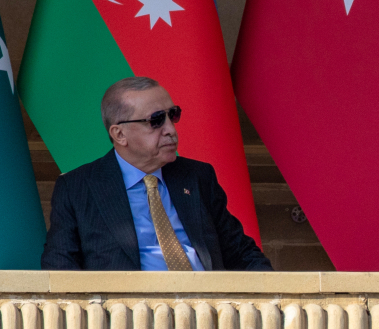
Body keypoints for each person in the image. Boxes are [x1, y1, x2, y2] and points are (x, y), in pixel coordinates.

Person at [41, 77, 272, 271]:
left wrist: (277, 296)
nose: (171, 129)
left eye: (173, 115)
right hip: (128, 317)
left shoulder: (197, 176)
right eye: (156, 120)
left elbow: (239, 251)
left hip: (205, 309)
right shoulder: (78, 188)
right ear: (120, 134)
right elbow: (60, 269)